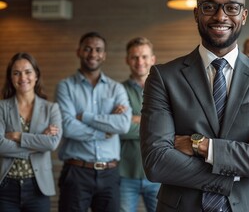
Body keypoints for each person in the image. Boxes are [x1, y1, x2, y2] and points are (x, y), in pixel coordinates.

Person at [140, 0, 249, 212]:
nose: (220, 15)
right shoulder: (164, 77)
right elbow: (157, 162)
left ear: (243, 16)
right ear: (196, 13)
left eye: (231, 7)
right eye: (209, 6)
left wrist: (203, 146)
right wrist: (239, 166)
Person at [55, 32, 131, 212]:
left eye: (98, 50)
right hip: (76, 172)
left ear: (104, 55)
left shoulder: (116, 89)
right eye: (88, 49)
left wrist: (86, 117)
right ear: (79, 52)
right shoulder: (65, 86)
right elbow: (67, 126)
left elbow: (123, 125)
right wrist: (105, 130)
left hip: (110, 173)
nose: (93, 54)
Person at [0, 52, 62, 211]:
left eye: (28, 72)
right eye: (16, 73)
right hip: (6, 187)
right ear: (10, 77)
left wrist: (17, 136)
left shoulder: (51, 108)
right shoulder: (1, 108)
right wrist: (38, 144)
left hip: (38, 187)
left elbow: (52, 144)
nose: (22, 78)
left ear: (36, 75)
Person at [120, 37, 160, 212]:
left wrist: (135, 119)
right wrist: (154, 122)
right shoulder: (117, 90)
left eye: (144, 56)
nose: (140, 62)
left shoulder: (164, 89)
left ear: (153, 59)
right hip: (125, 174)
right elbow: (121, 128)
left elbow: (172, 126)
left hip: (159, 172)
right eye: (135, 57)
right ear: (127, 60)